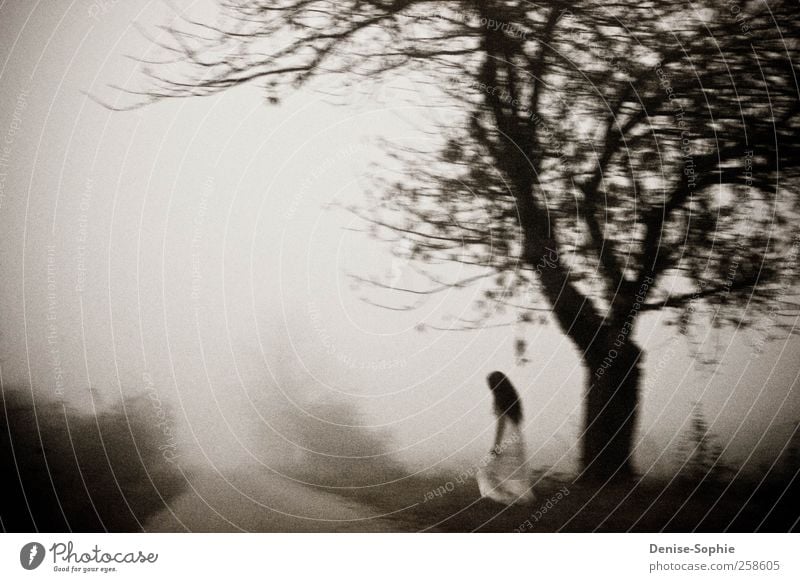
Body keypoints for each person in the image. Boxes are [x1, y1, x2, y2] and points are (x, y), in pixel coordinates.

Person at [476, 371, 536, 505]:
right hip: (516, 436)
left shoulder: (499, 399)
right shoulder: (513, 398)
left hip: (506, 437)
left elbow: (501, 423)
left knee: (486, 468)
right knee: (513, 469)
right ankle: (518, 494)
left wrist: (496, 445)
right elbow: (516, 420)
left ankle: (501, 495)